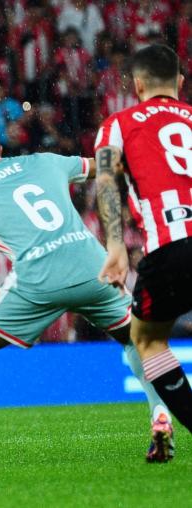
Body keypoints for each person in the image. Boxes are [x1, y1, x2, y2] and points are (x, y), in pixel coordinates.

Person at [0, 119, 172, 475]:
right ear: (0, 150)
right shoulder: (44, 161)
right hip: (93, 267)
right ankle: (160, 412)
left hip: (39, 278)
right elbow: (105, 166)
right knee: (138, 339)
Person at [94, 44, 192, 442]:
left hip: (171, 247)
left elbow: (105, 181)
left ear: (137, 85)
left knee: (147, 339)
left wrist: (116, 245)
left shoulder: (118, 123)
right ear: (180, 84)